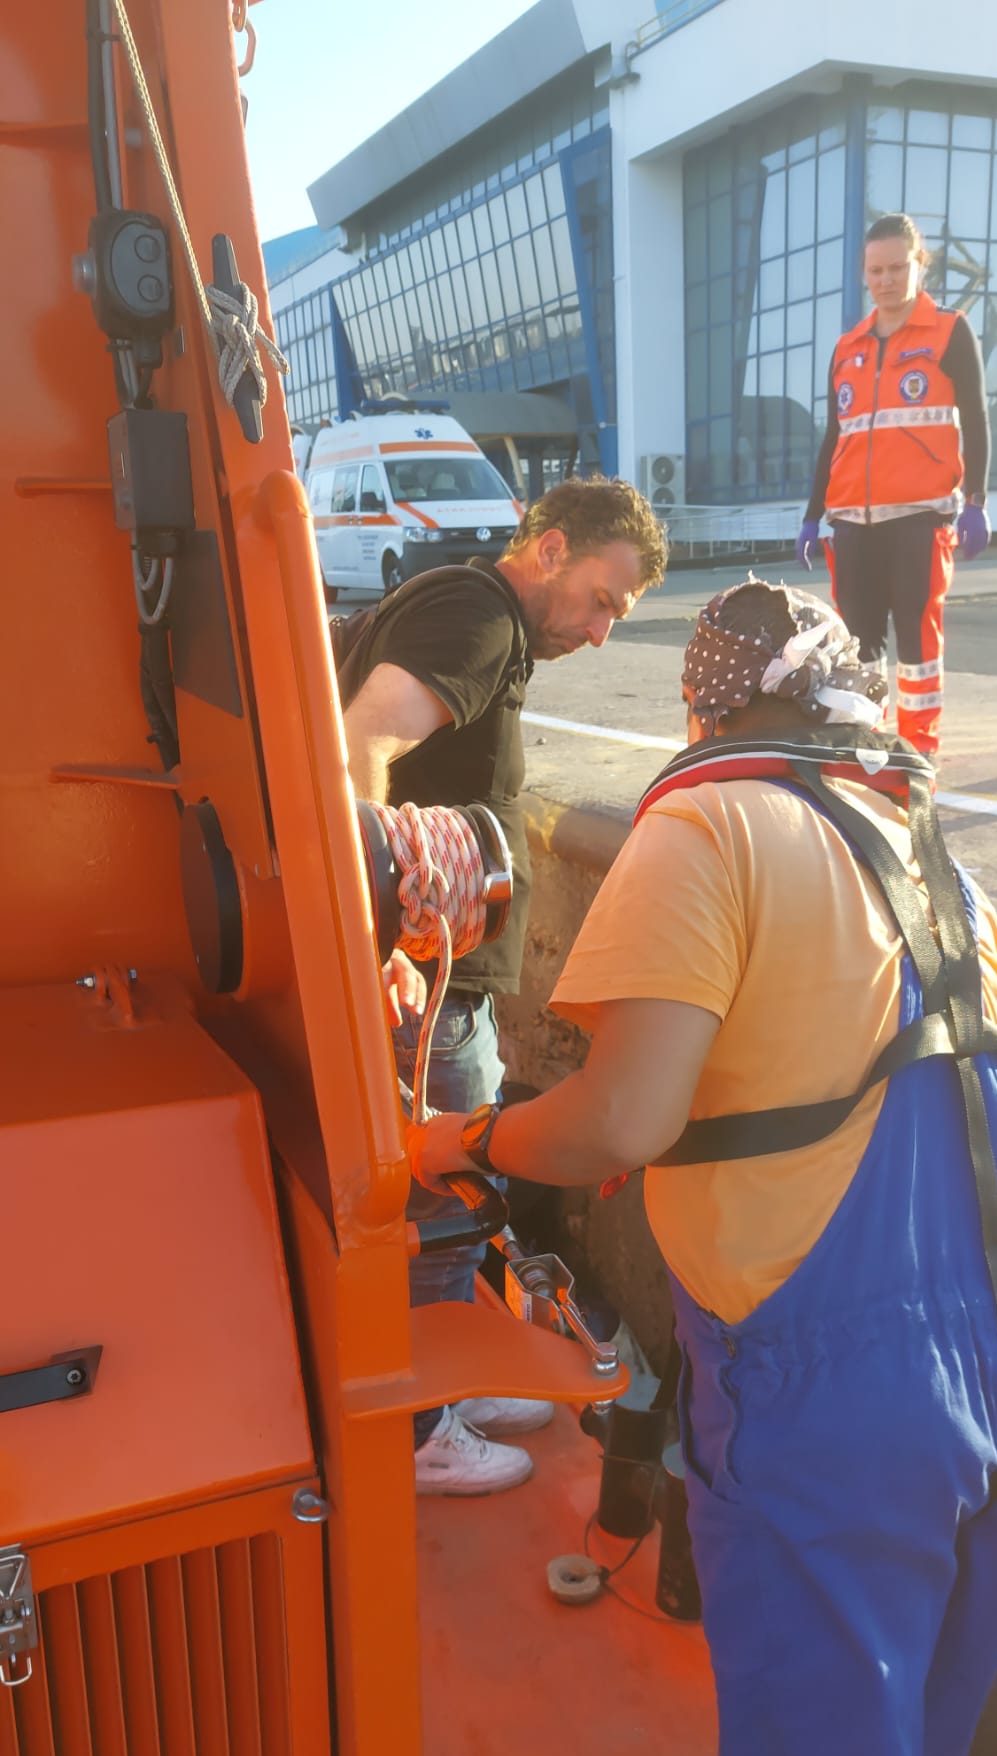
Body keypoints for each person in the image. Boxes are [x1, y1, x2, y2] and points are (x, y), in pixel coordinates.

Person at [409, 578, 997, 1756]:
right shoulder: (914, 837)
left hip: (838, 1382)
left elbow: (617, 1120)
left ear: (705, 704)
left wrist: (462, 1139)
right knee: (907, 1723)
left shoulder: (705, 824)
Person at [332, 476, 668, 1496]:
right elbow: (361, 742)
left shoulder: (467, 609)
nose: (601, 632)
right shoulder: (477, 619)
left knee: (448, 1198)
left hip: (436, 970)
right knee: (442, 1194)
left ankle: (452, 1384)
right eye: (602, 600)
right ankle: (419, 1426)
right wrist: (373, 937)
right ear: (550, 547)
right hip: (425, 981)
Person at [797, 212, 991, 759]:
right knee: (858, 646)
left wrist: (977, 500)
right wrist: (813, 514)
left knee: (918, 642)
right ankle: (869, 746)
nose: (885, 280)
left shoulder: (949, 331)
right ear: (864, 272)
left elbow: (977, 419)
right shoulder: (847, 347)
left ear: (920, 264)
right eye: (876, 270)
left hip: (920, 519)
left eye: (897, 268)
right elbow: (835, 436)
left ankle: (919, 751)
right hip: (852, 524)